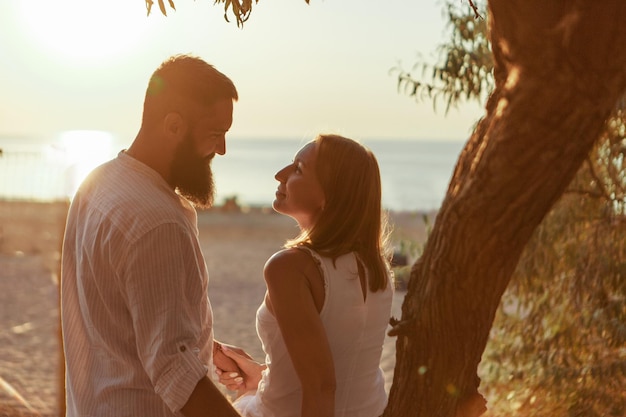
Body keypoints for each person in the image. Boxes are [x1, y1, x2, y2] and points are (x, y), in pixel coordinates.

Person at [61, 54, 243, 417]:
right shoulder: (160, 225)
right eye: (215, 134)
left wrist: (199, 347)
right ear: (173, 125)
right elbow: (178, 377)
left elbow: (111, 314)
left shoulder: (96, 183)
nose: (222, 149)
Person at [213, 134, 394, 417]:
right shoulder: (377, 268)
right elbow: (344, 367)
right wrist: (260, 376)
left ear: (329, 195)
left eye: (298, 169)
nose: (280, 174)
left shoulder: (289, 267)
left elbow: (322, 386)